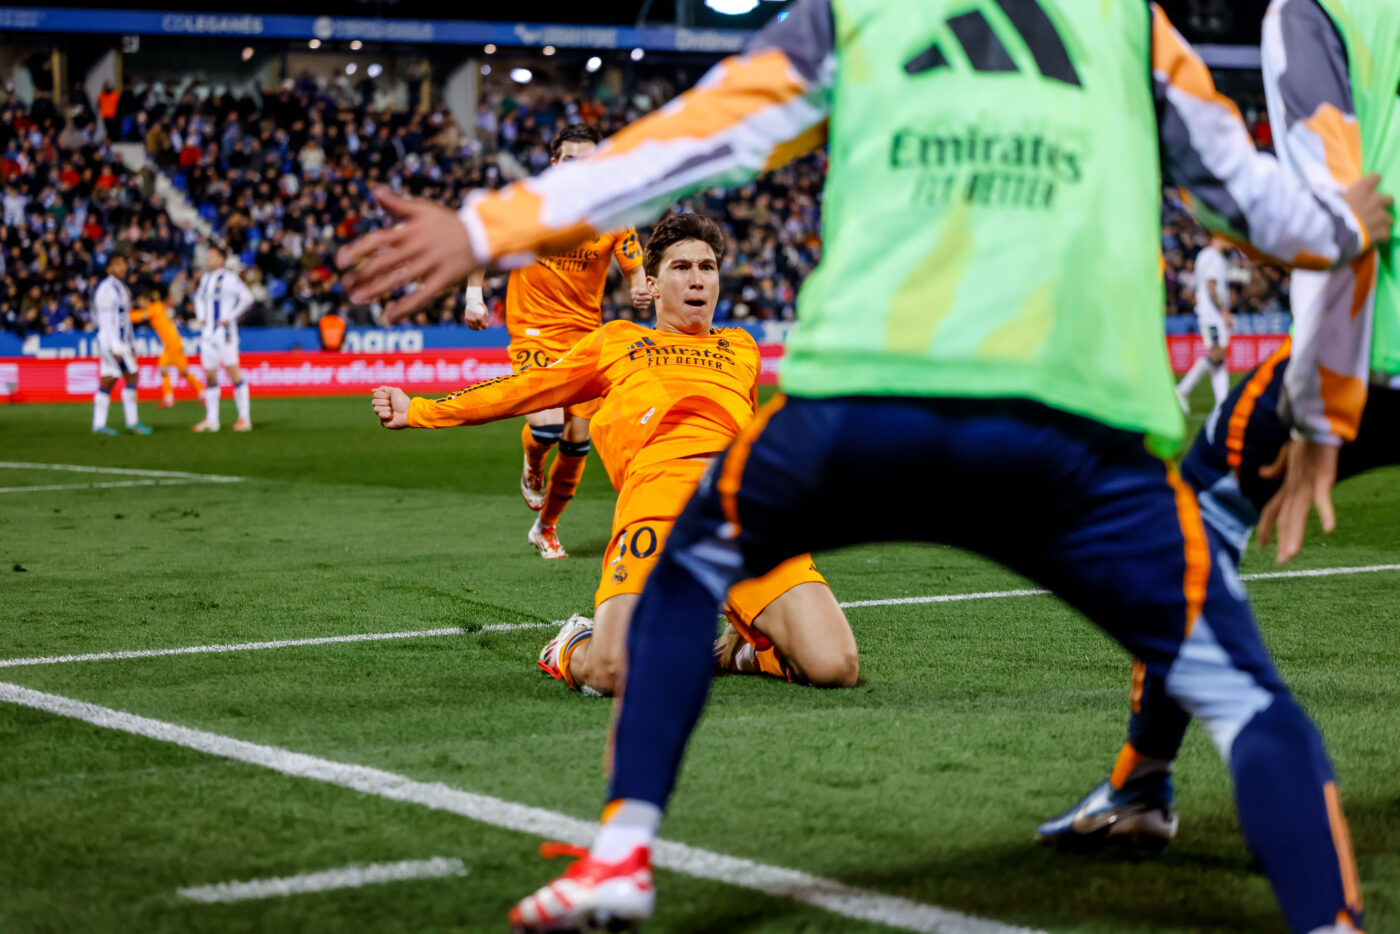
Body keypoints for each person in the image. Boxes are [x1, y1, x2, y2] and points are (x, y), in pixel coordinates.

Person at [339, 2, 1393, 930]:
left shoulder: (859, 12)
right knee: (1239, 689)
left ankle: (619, 856)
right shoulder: (1129, 24)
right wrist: (1342, 226)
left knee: (689, 564)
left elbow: (701, 133)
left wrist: (486, 226)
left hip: (872, 398)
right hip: (1075, 426)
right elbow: (1259, 208)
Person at [1038, 0, 1400, 858]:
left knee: (1186, 518)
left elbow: (1345, 213)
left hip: (1376, 356)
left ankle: (1139, 783)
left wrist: (1320, 413)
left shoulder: (1314, 12)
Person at [372, 214, 858, 696]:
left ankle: (734, 650)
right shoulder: (617, 342)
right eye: (681, 267)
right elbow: (523, 390)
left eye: (707, 267)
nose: (697, 279)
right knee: (613, 672)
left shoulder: (742, 348)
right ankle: (571, 644)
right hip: (657, 504)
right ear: (653, 284)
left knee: (835, 665)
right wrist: (421, 410)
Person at [460, 124, 653, 560]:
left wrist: (640, 289)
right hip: (533, 331)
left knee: (577, 442)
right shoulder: (527, 208)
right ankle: (532, 465)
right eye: (570, 160)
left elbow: (635, 270)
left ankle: (546, 527)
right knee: (546, 428)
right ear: (554, 163)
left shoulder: (614, 215)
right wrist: (474, 297)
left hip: (585, 338)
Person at [190, 244, 254, 433]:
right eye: (207, 255)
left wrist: (231, 316)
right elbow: (198, 299)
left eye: (211, 256)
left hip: (225, 335)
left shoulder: (230, 278)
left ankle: (244, 418)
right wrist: (201, 315)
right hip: (208, 334)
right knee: (210, 377)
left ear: (221, 259)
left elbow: (248, 298)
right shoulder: (205, 279)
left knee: (234, 374)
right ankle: (212, 420)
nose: (207, 258)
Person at [91, 251, 150, 436]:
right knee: (132, 376)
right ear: (109, 268)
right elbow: (107, 321)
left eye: (124, 263)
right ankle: (132, 423)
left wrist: (131, 343)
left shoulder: (122, 288)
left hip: (120, 342)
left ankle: (99, 425)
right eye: (117, 264)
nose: (122, 267)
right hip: (113, 343)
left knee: (108, 380)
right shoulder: (107, 290)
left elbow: (125, 319)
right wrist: (116, 346)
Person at [1176, 235, 1235, 412]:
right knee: (1217, 354)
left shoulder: (1207, 255)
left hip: (1212, 314)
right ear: (1218, 236)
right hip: (1212, 315)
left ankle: (1222, 402)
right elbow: (1211, 287)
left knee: (1220, 359)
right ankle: (1183, 389)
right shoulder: (1212, 257)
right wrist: (1224, 311)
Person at [130, 286, 204, 409]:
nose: (140, 304)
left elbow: (138, 316)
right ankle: (183, 395)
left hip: (172, 343)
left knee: (174, 369)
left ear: (145, 299)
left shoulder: (155, 308)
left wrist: (124, 316)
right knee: (173, 370)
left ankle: (192, 394)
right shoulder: (157, 307)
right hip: (172, 343)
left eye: (140, 301)